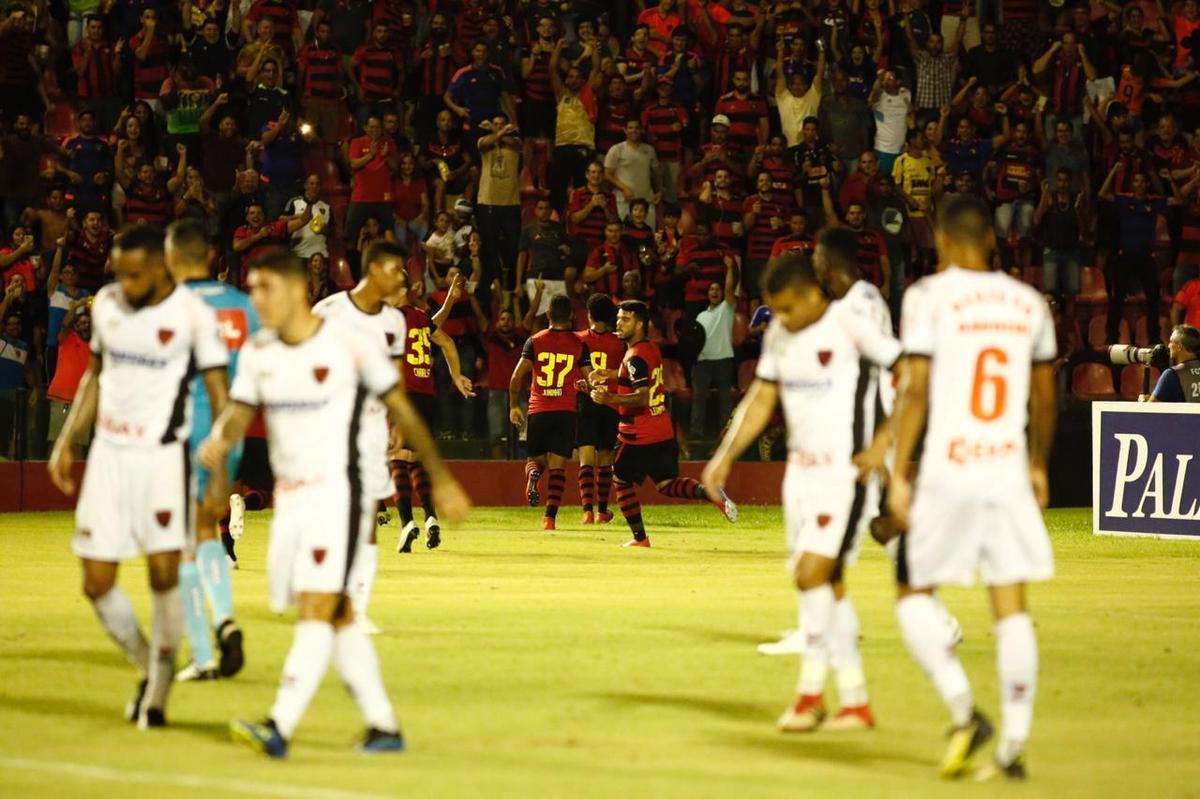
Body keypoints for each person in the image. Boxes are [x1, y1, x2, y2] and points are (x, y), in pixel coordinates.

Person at [198, 248, 469, 759]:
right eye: (251, 289)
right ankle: (383, 725)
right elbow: (239, 410)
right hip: (292, 498)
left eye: (263, 289)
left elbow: (401, 408)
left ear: (296, 290)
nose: (255, 300)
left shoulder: (347, 345)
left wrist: (440, 475)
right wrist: (217, 440)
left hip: (336, 494)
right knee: (332, 611)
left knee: (319, 608)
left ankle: (279, 724)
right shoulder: (260, 350)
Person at [887, 195, 1057, 780]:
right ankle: (1013, 745)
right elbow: (1044, 396)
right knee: (1010, 607)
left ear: (942, 240)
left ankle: (964, 708)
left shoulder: (928, 297)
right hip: (1007, 467)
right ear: (990, 238)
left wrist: (897, 472)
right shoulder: (1028, 302)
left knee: (912, 592)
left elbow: (916, 389)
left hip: (949, 470)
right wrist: (1038, 464)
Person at [702, 241, 901, 732]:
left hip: (845, 475)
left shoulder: (853, 325)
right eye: (778, 312)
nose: (784, 319)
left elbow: (915, 374)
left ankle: (810, 695)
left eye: (790, 308)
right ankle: (854, 701)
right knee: (825, 585)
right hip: (801, 476)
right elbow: (763, 395)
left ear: (816, 293)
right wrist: (724, 456)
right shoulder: (781, 337)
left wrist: (885, 445)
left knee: (811, 575)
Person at [47, 225, 230, 729]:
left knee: (163, 575)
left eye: (134, 275)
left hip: (162, 460)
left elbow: (219, 395)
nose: (123, 284)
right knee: (96, 581)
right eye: (118, 273)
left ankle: (158, 689)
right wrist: (67, 440)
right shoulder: (106, 304)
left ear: (160, 268)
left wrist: (218, 470)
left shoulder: (193, 316)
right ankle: (152, 664)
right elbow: (96, 375)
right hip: (108, 457)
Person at [164, 220, 259, 682]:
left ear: (176, 257)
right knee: (205, 529)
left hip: (184, 429)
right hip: (233, 430)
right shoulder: (244, 307)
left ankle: (202, 655)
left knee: (185, 540)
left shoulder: (172, 306)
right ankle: (225, 621)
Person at [313, 241, 409, 634]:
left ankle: (356, 607)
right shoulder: (328, 312)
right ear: (376, 268)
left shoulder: (394, 322)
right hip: (328, 426)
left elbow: (395, 379)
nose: (403, 277)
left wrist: (397, 424)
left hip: (370, 429)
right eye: (397, 269)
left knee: (367, 516)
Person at [587, 301, 737, 548]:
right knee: (666, 484)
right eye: (618, 319)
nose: (619, 324)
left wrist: (608, 397)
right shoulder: (650, 348)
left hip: (637, 433)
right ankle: (710, 494)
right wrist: (611, 374)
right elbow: (639, 375)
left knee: (620, 479)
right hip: (663, 430)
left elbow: (642, 395)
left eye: (625, 319)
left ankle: (640, 538)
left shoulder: (634, 356)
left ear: (640, 323)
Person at [392, 274, 475, 553]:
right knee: (415, 460)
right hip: (427, 398)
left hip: (402, 396)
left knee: (396, 458)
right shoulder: (419, 317)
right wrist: (457, 376)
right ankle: (430, 517)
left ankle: (406, 523)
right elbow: (448, 342)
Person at [509, 294, 591, 530]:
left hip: (539, 409)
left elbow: (516, 377)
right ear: (572, 316)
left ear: (548, 315)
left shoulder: (534, 341)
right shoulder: (579, 344)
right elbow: (590, 377)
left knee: (534, 460)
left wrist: (515, 405)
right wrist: (585, 386)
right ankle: (549, 519)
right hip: (565, 411)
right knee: (558, 467)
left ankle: (533, 474)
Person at [576, 294, 626, 524]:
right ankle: (602, 511)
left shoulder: (578, 339)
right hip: (609, 401)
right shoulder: (620, 342)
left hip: (585, 400)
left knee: (586, 454)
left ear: (589, 314)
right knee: (605, 455)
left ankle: (587, 510)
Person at [689, 258, 738, 445]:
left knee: (725, 402)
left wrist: (730, 268)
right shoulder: (701, 316)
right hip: (703, 362)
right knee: (698, 399)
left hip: (724, 360)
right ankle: (696, 434)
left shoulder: (727, 309)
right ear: (707, 294)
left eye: (717, 289)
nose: (715, 292)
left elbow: (729, 290)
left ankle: (726, 435)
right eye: (711, 289)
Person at [1141, 324, 1200, 402]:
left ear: (1179, 347)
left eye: (1171, 342)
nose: (1168, 346)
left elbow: (1151, 410)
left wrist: (1143, 403)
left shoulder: (1172, 374)